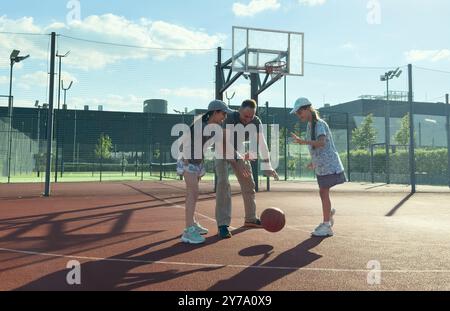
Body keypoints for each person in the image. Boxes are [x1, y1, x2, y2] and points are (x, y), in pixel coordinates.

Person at [215, 99, 279, 239]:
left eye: (251, 116)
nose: (248, 120)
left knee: (249, 184)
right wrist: (239, 159)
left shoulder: (256, 122)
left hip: (239, 150)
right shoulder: (230, 117)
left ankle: (250, 219)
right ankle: (223, 225)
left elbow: (262, 144)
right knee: (223, 183)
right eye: (245, 116)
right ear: (239, 110)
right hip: (222, 150)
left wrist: (267, 164)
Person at [176, 100, 233, 244]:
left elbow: (223, 146)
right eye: (223, 113)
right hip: (188, 161)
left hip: (198, 162)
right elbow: (183, 143)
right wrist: (186, 159)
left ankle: (192, 223)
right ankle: (188, 231)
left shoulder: (216, 128)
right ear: (215, 112)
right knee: (192, 194)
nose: (225, 116)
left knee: (193, 195)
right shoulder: (199, 126)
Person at [290, 98, 346, 237]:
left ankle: (327, 225)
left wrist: (302, 142)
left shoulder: (319, 124)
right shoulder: (311, 125)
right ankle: (328, 215)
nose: (299, 115)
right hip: (322, 165)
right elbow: (317, 147)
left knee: (323, 192)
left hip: (329, 164)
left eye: (300, 112)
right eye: (297, 113)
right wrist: (314, 161)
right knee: (323, 192)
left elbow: (321, 142)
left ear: (308, 109)